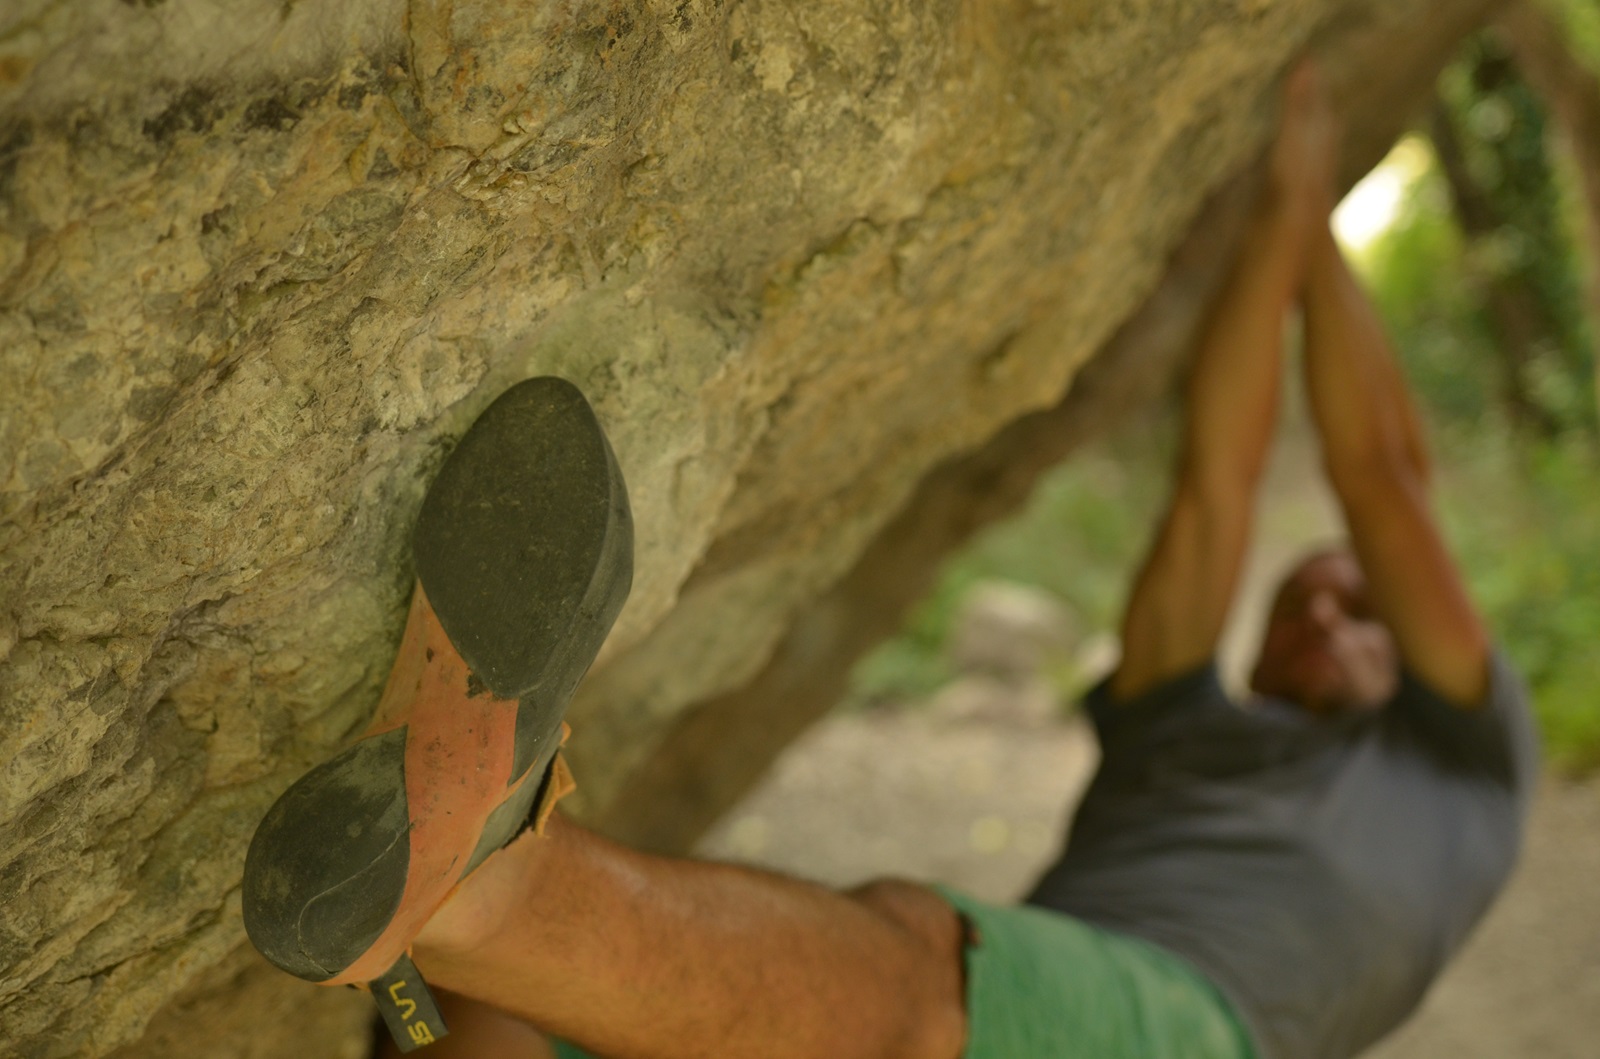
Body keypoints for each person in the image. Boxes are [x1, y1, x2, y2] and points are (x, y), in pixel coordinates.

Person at [243, 61, 1537, 1059]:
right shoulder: (1173, 727)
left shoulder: (1464, 753)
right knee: (523, 1024)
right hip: (1063, 1013)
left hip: (1195, 1029)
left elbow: (1380, 479)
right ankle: (420, 952)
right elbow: (1219, 483)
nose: (1323, 608)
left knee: (921, 979)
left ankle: (472, 881)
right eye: (1296, 600)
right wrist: (1274, 219)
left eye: (1355, 603)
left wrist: (1310, 210)